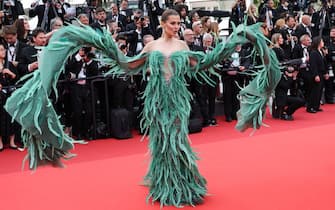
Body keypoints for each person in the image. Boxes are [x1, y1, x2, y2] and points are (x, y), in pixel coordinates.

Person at [4, 8, 281, 208]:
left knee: (178, 140)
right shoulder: (152, 47)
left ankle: (182, 185)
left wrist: (234, 41)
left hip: (178, 99)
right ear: (162, 24)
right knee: (163, 142)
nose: (176, 26)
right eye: (172, 23)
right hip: (157, 100)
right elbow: (128, 64)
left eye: (178, 22)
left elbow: (203, 64)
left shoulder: (183, 45)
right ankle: (166, 185)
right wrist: (100, 44)